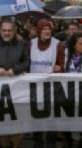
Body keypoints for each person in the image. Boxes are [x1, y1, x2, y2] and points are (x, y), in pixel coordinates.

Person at [0, 20, 30, 148]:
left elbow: (27, 61)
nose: (6, 33)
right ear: (0, 31)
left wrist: (15, 70)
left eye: (9, 30)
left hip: (17, 91)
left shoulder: (22, 44)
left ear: (14, 31)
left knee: (17, 121)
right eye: (4, 30)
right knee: (2, 121)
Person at [29, 19, 65, 148]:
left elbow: (62, 63)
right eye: (44, 29)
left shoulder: (58, 44)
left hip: (51, 86)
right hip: (34, 85)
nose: (47, 31)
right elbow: (26, 60)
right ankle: (38, 140)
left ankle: (51, 140)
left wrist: (60, 67)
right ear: (39, 31)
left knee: (52, 114)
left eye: (49, 28)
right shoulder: (31, 44)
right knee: (35, 113)